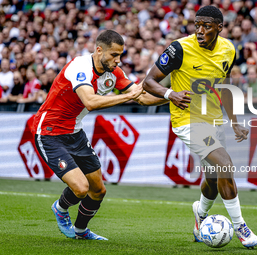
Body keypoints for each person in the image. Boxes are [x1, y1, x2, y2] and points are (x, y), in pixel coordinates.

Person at [32, 30, 166, 241]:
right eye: (114, 55)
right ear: (99, 50)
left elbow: (143, 98)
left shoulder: (115, 73)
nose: (118, 60)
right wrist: (127, 97)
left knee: (98, 191)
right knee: (81, 188)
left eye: (120, 55)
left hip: (75, 132)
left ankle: (80, 232)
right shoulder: (80, 66)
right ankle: (60, 208)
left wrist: (173, 96)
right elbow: (91, 102)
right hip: (49, 132)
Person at [143, 6, 257, 249]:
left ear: (219, 27)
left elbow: (224, 86)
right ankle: (241, 227)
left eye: (206, 26)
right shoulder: (179, 48)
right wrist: (170, 93)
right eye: (197, 25)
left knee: (214, 177)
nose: (200, 30)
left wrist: (234, 122)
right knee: (226, 165)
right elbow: (149, 81)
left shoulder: (228, 49)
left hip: (213, 119)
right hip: (187, 121)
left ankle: (201, 216)